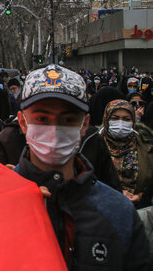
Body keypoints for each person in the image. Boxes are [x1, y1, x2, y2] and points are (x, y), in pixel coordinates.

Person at [12, 64, 150, 270]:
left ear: (85, 125)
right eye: (42, 118)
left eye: (68, 119)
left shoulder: (118, 212)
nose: (55, 130)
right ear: (22, 123)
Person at [98, 99, 153, 208]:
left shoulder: (147, 146)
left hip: (138, 210)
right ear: (106, 119)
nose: (121, 123)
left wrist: (141, 196)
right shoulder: (94, 144)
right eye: (115, 118)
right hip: (101, 210)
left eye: (126, 119)